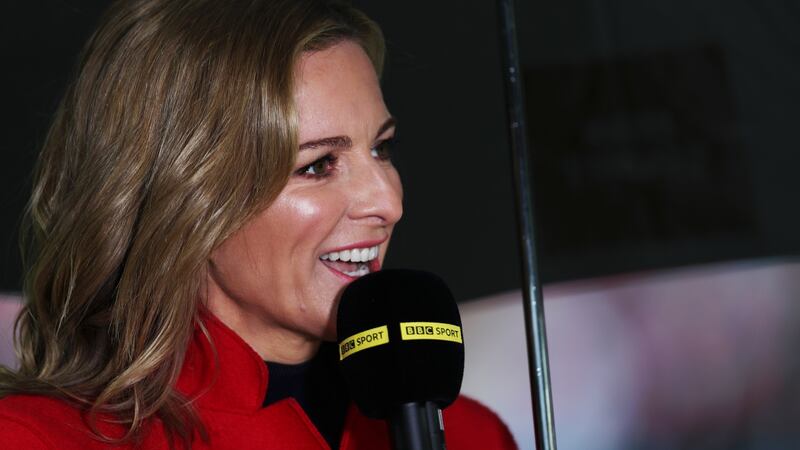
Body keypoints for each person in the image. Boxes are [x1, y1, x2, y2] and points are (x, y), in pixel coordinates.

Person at [0, 0, 518, 448]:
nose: (388, 201)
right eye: (318, 165)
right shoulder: (35, 438)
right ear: (186, 199)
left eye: (382, 148)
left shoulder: (473, 435)